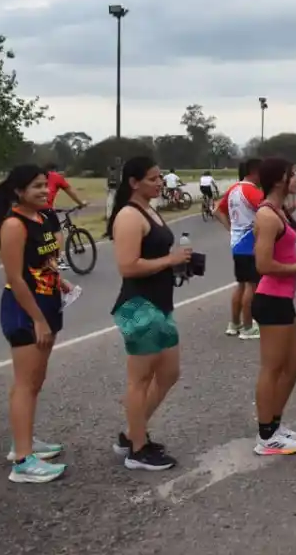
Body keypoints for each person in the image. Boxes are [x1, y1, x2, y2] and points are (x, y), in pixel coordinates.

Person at [0, 164, 71, 483]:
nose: (44, 190)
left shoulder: (43, 218)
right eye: (36, 186)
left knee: (35, 380)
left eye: (45, 185)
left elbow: (42, 262)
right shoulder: (13, 224)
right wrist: (38, 319)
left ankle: (24, 441)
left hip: (47, 303)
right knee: (25, 383)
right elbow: (15, 278)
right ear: (19, 191)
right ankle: (22, 462)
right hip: (26, 311)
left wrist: (60, 282)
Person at [107, 156, 191, 471]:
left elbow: (155, 254)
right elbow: (128, 266)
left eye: (160, 177)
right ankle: (138, 450)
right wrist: (170, 261)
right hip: (138, 306)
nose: (159, 183)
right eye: (153, 179)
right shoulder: (129, 216)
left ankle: (132, 433)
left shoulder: (149, 209)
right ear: (134, 182)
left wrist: (178, 264)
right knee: (140, 380)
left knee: (169, 373)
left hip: (160, 303)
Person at [251, 158, 296, 456]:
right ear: (279, 179)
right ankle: (266, 435)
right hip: (271, 299)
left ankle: (275, 424)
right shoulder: (267, 215)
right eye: (293, 174)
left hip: (282, 298)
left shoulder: (279, 210)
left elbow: (281, 253)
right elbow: (263, 264)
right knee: (272, 368)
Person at [214, 158, 264, 340]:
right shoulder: (251, 191)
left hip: (237, 243)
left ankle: (234, 324)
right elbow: (269, 209)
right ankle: (248, 326)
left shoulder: (233, 189)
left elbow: (217, 211)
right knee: (252, 285)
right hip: (249, 243)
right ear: (254, 171)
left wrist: (231, 229)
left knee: (241, 284)